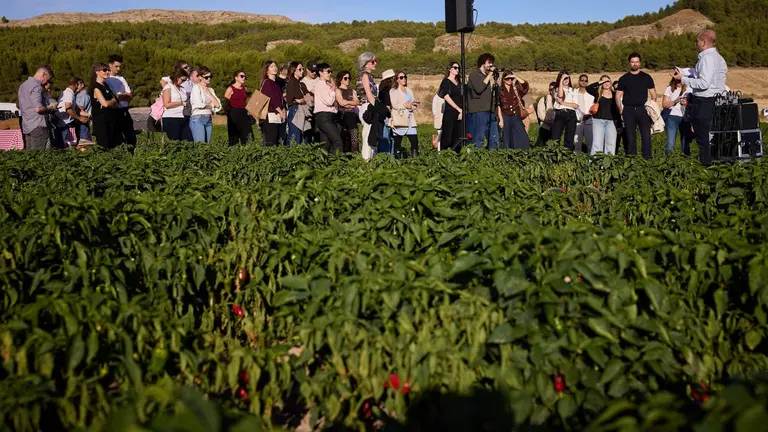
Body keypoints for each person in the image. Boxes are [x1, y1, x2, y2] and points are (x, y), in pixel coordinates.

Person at [672, 29, 727, 166]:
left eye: (697, 41)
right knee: (713, 138)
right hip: (715, 101)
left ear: (703, 42)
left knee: (703, 139)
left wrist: (683, 79)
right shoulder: (718, 58)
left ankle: (707, 168)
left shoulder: (707, 58)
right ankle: (716, 165)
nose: (695, 44)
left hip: (705, 103)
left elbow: (704, 83)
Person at [616, 52, 657, 159]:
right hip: (628, 110)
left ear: (640, 63)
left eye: (637, 62)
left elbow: (654, 95)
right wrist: (621, 111)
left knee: (646, 137)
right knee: (630, 137)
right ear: (629, 63)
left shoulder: (646, 77)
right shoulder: (624, 78)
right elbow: (617, 96)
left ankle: (647, 160)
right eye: (632, 62)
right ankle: (631, 160)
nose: (635, 64)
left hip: (642, 109)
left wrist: (651, 108)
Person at [18, 66, 55, 150]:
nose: (46, 82)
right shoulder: (36, 86)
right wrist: (50, 109)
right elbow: (38, 108)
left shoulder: (23, 85)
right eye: (47, 79)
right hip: (38, 124)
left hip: (27, 125)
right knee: (38, 157)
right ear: (43, 74)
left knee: (30, 156)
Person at [467, 53, 497, 149]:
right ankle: (476, 157)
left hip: (490, 111)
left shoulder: (488, 76)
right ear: (482, 63)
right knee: (478, 138)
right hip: (479, 111)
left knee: (493, 137)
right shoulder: (474, 74)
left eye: (492, 63)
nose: (491, 65)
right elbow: (479, 88)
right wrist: (490, 75)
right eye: (489, 63)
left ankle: (492, 157)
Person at [105, 54, 136, 146]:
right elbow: (111, 97)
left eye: (119, 66)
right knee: (116, 137)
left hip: (124, 109)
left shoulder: (121, 78)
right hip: (113, 110)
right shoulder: (106, 79)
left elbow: (129, 95)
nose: (118, 69)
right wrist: (122, 96)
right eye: (116, 66)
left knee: (131, 137)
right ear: (110, 65)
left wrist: (119, 96)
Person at [313, 63, 343, 153]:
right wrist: (334, 89)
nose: (330, 74)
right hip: (324, 116)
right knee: (337, 141)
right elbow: (329, 101)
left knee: (325, 144)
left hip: (328, 116)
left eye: (331, 71)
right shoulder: (321, 84)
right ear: (320, 73)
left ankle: (323, 164)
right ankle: (336, 163)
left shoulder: (326, 85)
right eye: (328, 71)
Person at [586, 75, 620, 155]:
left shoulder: (615, 94)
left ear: (611, 82)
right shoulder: (597, 93)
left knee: (611, 144)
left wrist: (619, 124)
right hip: (598, 121)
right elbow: (588, 88)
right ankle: (595, 164)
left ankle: (607, 164)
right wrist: (600, 82)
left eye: (608, 81)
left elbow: (617, 110)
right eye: (604, 82)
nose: (606, 83)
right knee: (597, 143)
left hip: (611, 122)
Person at [496, 70, 530, 150]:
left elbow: (525, 86)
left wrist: (515, 77)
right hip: (505, 117)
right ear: (503, 79)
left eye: (511, 79)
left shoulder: (516, 88)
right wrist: (501, 119)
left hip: (516, 116)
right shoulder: (500, 90)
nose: (510, 80)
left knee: (522, 137)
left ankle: (521, 154)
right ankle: (507, 156)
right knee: (506, 139)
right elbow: (498, 105)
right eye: (508, 79)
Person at [389, 70, 419, 158]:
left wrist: (411, 106)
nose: (404, 79)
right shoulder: (393, 91)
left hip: (410, 118)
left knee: (414, 140)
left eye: (405, 77)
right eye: (401, 77)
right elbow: (395, 104)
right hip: (400, 118)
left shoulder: (409, 90)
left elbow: (413, 104)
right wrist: (406, 105)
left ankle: (415, 159)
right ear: (397, 80)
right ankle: (397, 158)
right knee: (398, 141)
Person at [89, 62, 120, 149]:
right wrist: (114, 100)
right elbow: (105, 104)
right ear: (97, 72)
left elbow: (116, 103)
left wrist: (113, 101)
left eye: (108, 70)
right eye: (104, 70)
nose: (107, 72)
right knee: (104, 147)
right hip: (101, 121)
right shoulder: (96, 87)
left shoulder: (106, 85)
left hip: (110, 119)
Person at [356, 52, 379, 159]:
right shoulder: (365, 76)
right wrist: (379, 108)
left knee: (371, 134)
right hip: (367, 107)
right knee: (368, 135)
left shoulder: (368, 76)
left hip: (368, 106)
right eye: (373, 61)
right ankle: (366, 160)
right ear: (365, 63)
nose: (375, 63)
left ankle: (370, 158)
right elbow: (369, 95)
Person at [189, 66, 221, 143]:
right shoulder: (196, 88)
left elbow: (218, 105)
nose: (209, 79)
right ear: (200, 77)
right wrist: (211, 105)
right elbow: (199, 104)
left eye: (210, 77)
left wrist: (208, 92)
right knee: (201, 146)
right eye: (206, 77)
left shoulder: (211, 89)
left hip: (208, 119)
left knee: (207, 146)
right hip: (198, 118)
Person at [259, 60, 286, 146]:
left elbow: (279, 99)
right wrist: (281, 111)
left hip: (277, 115)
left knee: (277, 141)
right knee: (271, 142)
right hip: (270, 116)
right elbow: (271, 100)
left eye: (275, 66)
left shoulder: (276, 84)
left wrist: (283, 110)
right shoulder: (267, 83)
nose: (274, 68)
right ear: (267, 71)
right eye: (271, 66)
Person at [662, 78, 692, 155]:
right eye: (678, 80)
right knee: (670, 144)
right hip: (672, 117)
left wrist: (686, 103)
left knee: (685, 143)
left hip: (685, 117)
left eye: (681, 80)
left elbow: (694, 105)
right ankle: (668, 162)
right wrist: (676, 101)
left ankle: (685, 162)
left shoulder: (689, 89)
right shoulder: (669, 89)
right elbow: (664, 105)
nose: (680, 82)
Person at [56, 76, 89, 147]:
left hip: (64, 123)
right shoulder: (69, 93)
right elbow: (68, 109)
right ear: (76, 84)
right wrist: (80, 118)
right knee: (62, 145)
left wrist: (89, 115)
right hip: (63, 123)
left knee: (65, 143)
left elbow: (77, 109)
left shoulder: (69, 93)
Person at [550, 71, 579, 149]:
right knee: (555, 137)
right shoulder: (556, 89)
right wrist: (560, 82)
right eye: (564, 78)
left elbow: (576, 105)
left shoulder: (573, 90)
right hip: (560, 113)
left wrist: (563, 103)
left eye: (567, 78)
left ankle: (567, 156)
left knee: (569, 137)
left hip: (571, 114)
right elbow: (560, 95)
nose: (566, 80)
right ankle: (554, 155)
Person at [438, 61, 464, 152]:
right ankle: (444, 154)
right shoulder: (446, 82)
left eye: (458, 68)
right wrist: (458, 109)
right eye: (455, 67)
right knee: (447, 136)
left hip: (459, 113)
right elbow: (446, 96)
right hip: (450, 112)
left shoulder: (459, 83)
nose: (457, 70)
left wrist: (462, 111)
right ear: (450, 69)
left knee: (457, 136)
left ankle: (456, 155)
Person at [285, 62, 312, 145]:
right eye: (300, 69)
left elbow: (309, 96)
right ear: (294, 71)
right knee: (295, 137)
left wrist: (304, 99)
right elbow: (296, 99)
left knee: (303, 137)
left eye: (303, 69)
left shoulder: (301, 84)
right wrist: (303, 99)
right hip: (295, 111)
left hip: (302, 111)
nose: (302, 71)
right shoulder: (292, 82)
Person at [224, 70, 253, 145]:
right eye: (241, 76)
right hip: (234, 113)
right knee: (234, 137)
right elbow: (225, 103)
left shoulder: (244, 88)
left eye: (244, 76)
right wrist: (227, 113)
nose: (244, 78)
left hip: (243, 112)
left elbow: (245, 101)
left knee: (247, 136)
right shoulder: (230, 89)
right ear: (236, 78)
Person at [161, 68, 189, 141]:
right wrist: (181, 103)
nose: (183, 82)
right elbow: (167, 104)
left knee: (187, 140)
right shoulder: (168, 87)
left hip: (183, 116)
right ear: (176, 77)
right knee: (175, 141)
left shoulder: (182, 88)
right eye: (182, 80)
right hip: (172, 117)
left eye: (185, 80)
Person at [335, 70, 360, 153]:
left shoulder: (352, 91)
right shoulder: (338, 90)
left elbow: (357, 102)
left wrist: (347, 103)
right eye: (345, 78)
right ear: (340, 79)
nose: (347, 80)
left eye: (349, 78)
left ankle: (354, 156)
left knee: (354, 137)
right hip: (342, 115)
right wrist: (351, 103)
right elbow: (341, 103)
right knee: (343, 136)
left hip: (352, 115)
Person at [573, 74, 595, 154]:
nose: (583, 82)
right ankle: (576, 158)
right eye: (582, 80)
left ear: (587, 82)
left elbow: (592, 109)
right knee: (576, 142)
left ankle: (591, 160)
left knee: (590, 141)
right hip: (577, 121)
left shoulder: (591, 97)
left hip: (588, 120)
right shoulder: (574, 93)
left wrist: (589, 115)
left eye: (585, 80)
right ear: (579, 81)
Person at [377, 69, 395, 154]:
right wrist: (390, 115)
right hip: (387, 115)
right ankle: (389, 156)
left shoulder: (381, 89)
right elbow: (388, 105)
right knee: (388, 137)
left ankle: (384, 156)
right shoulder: (387, 90)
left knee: (384, 136)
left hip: (381, 115)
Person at [534, 81, 556, 146]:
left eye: (554, 89)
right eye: (550, 89)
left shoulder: (559, 100)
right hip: (545, 126)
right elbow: (541, 114)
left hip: (556, 127)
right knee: (541, 144)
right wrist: (550, 121)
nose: (552, 91)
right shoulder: (543, 100)